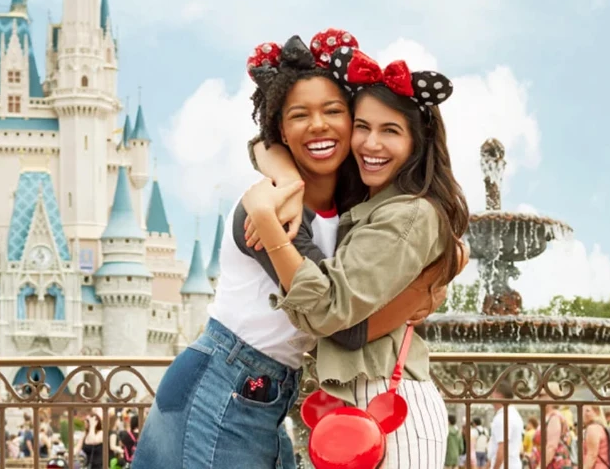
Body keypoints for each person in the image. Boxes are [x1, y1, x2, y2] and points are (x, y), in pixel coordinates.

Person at [133, 31, 455, 469]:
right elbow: (337, 322)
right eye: (299, 115)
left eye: (334, 111)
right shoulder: (268, 208)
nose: (318, 125)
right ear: (280, 129)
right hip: (223, 382)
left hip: (264, 392)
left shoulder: (351, 200)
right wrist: (423, 289)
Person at [243, 38, 469, 468]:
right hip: (355, 404)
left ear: (417, 142)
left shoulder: (407, 213)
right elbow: (264, 142)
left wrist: (271, 228)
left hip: (391, 405)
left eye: (390, 131)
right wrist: (286, 178)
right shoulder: (367, 201)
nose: (370, 143)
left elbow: (332, 314)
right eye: (362, 126)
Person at [488, 381, 523, 469]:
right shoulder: (514, 414)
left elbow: (502, 448)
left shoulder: (503, 417)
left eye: (492, 394)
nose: (490, 397)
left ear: (499, 395)